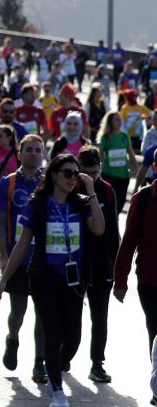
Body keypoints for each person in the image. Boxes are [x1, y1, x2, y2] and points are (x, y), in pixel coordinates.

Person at [0, 153, 106, 407]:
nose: (72, 178)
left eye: (75, 174)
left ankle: (54, 365)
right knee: (52, 332)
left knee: (74, 338)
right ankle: (56, 389)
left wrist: (90, 190)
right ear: (54, 175)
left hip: (74, 279)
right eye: (67, 173)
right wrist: (4, 280)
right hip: (44, 278)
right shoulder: (39, 204)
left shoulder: (80, 203)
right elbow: (22, 245)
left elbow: (99, 229)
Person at [0, 135, 46, 380]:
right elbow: (1, 223)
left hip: (45, 259)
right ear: (20, 154)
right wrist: (3, 255)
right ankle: (12, 338)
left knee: (44, 313)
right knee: (19, 311)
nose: (33, 154)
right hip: (18, 257)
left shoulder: (50, 182)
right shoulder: (8, 183)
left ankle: (39, 362)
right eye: (29, 150)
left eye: (38, 150)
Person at [77, 148, 120, 384]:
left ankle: (97, 364)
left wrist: (116, 264)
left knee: (100, 318)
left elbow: (113, 230)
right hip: (75, 262)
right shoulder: (69, 187)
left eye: (94, 172)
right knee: (71, 315)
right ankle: (63, 358)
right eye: (86, 172)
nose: (90, 177)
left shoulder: (107, 190)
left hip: (101, 263)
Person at [114, 181, 157, 407]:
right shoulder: (143, 199)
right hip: (151, 281)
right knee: (156, 333)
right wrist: (120, 279)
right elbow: (129, 239)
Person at [96, 111, 136, 211]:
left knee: (121, 202)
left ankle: (114, 219)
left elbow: (131, 153)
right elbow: (100, 156)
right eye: (116, 119)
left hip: (123, 175)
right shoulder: (105, 137)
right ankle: (111, 223)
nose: (119, 121)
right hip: (108, 174)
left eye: (120, 119)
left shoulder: (124, 136)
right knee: (112, 201)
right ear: (110, 122)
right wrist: (97, 172)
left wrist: (135, 167)